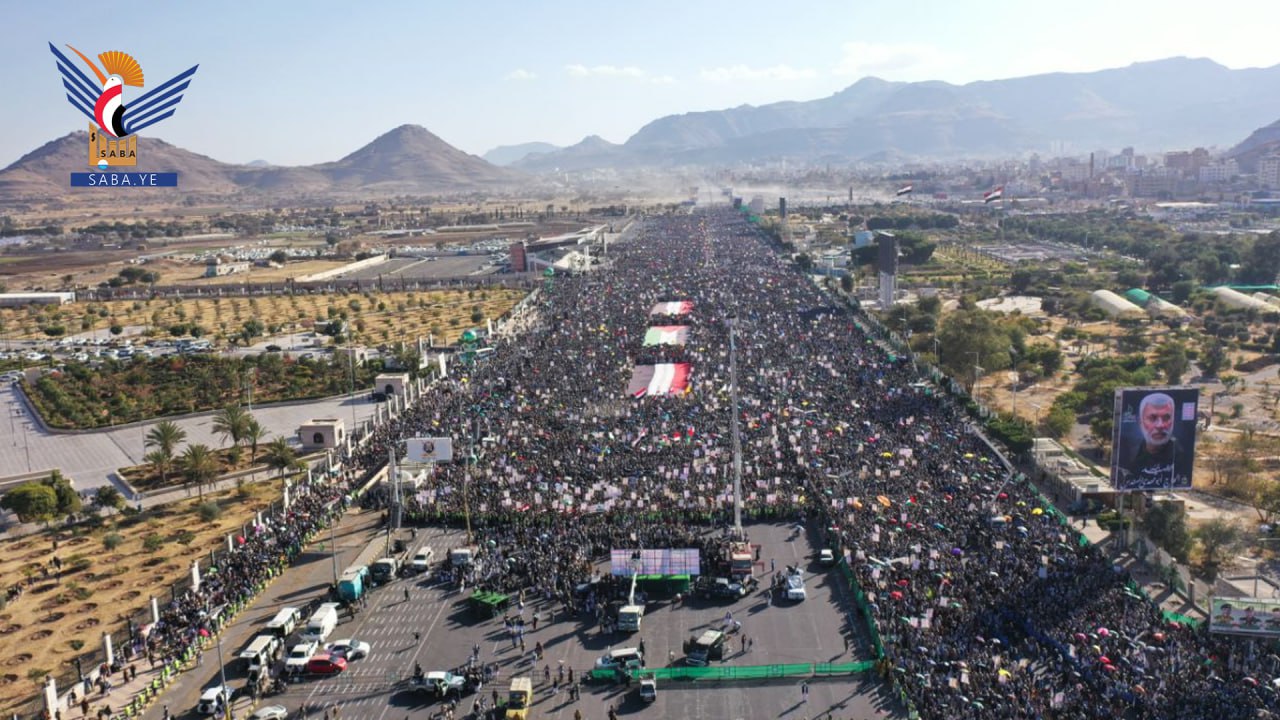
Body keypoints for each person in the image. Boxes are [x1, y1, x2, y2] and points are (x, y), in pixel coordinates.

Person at [1119, 392, 1193, 490]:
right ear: (1140, 422)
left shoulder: (1181, 457)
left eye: (1166, 418)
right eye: (1152, 418)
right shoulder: (1129, 457)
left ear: (1173, 421)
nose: (1160, 425)